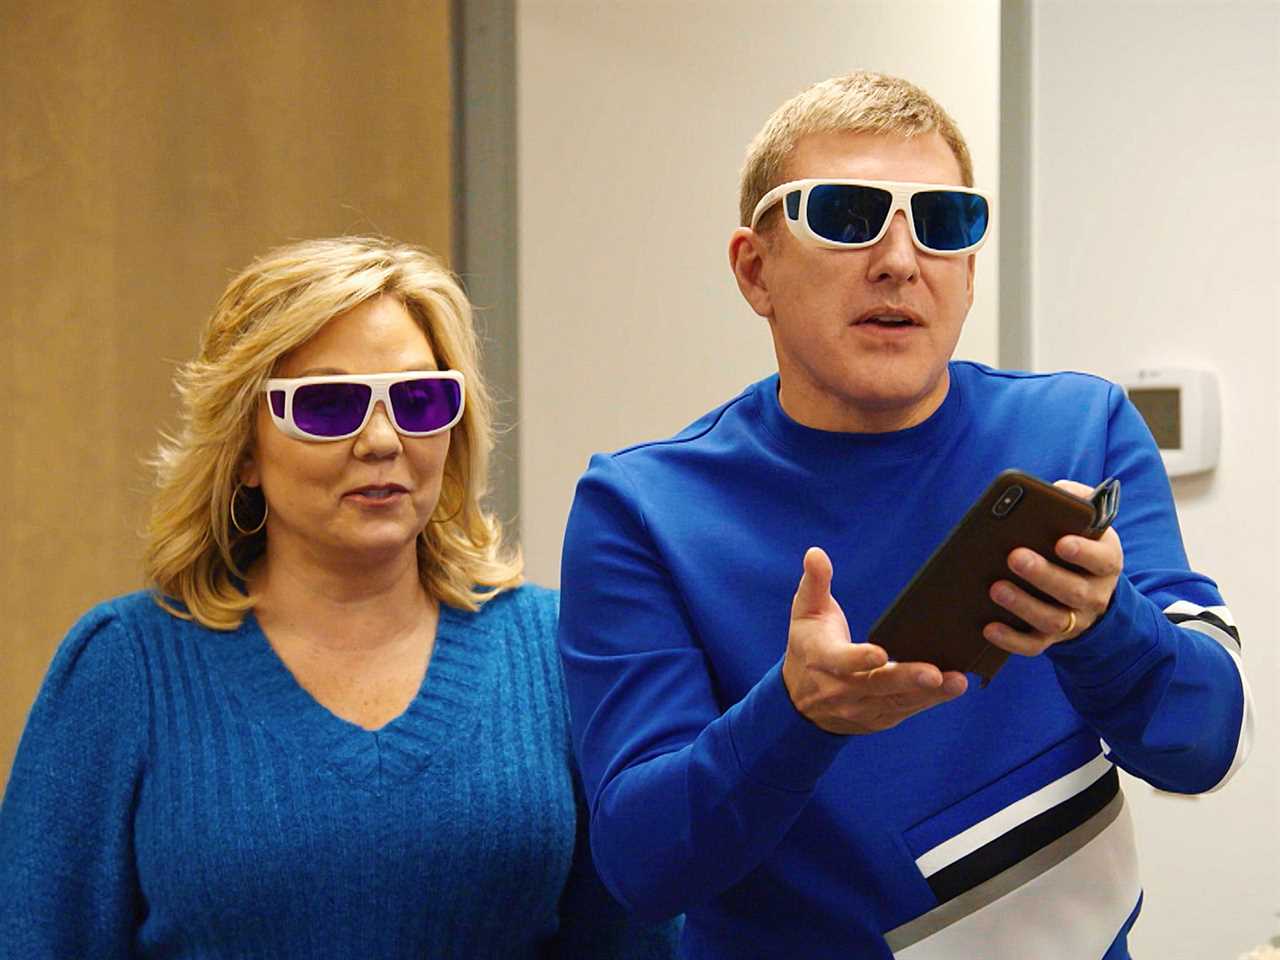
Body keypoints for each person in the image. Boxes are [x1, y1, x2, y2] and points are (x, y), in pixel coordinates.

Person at [557, 72, 1253, 959]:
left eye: (943, 221)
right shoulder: (643, 510)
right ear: (754, 269)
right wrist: (798, 714)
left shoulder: (1079, 432)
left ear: (967, 271)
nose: (899, 259)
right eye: (845, 216)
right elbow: (643, 863)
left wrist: (1105, 627)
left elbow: (1207, 746)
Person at [0, 237, 678, 958]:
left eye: (419, 401)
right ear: (246, 450)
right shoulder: (124, 671)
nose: (383, 439)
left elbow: (641, 935)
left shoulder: (555, 652)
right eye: (328, 405)